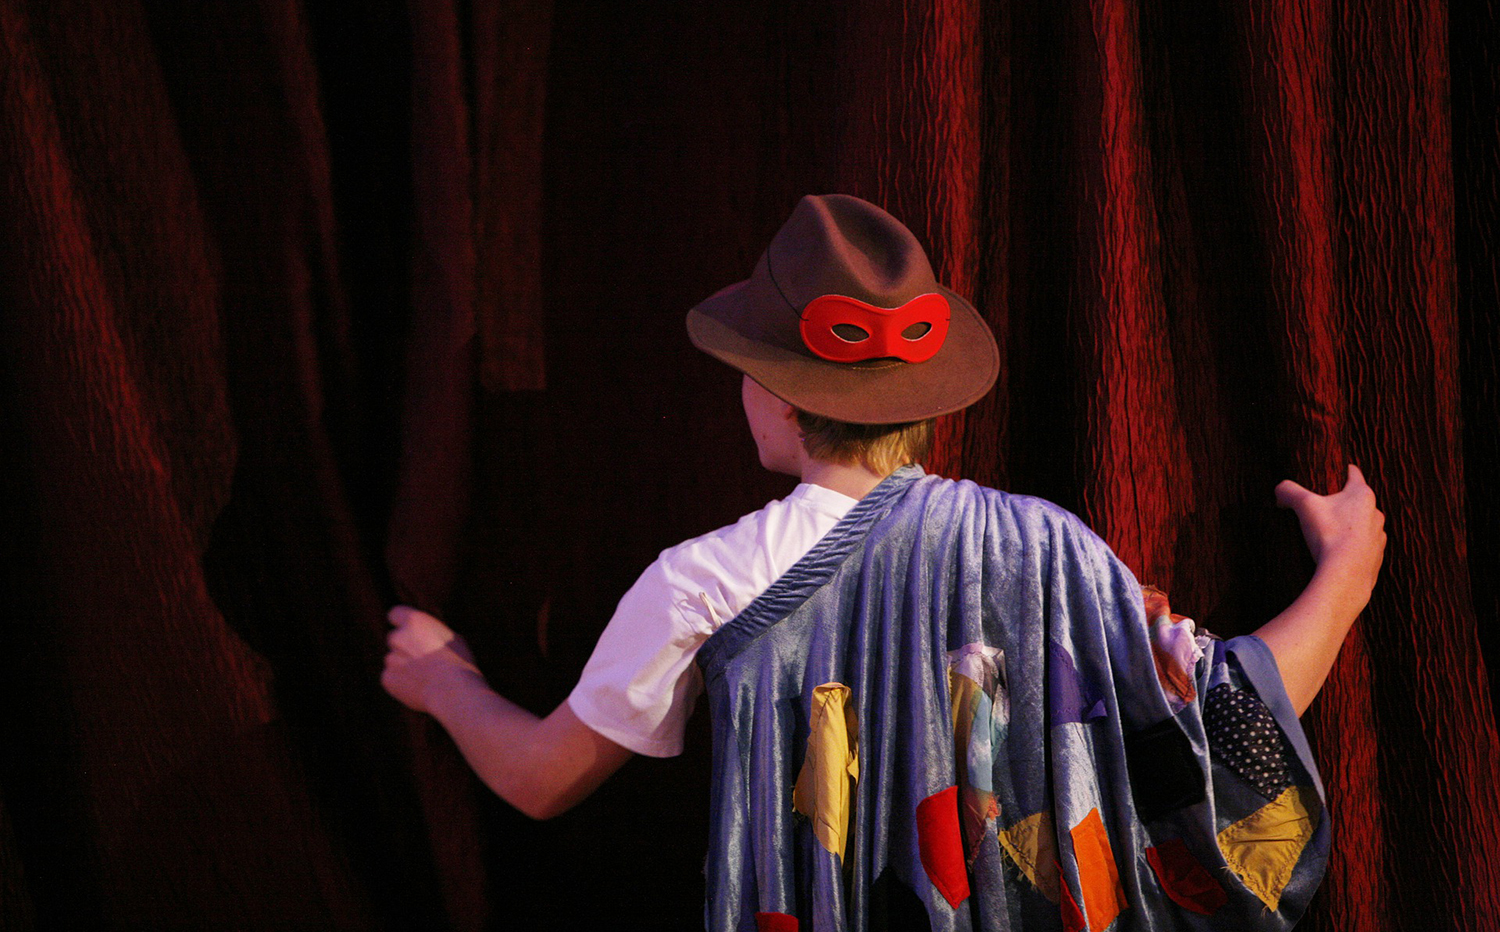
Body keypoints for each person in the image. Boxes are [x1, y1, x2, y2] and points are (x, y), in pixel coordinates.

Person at [383, 195, 1385, 930]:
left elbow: (543, 779)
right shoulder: (1052, 548)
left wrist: (442, 681)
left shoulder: (702, 582)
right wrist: (1346, 572)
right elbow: (1223, 719)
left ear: (776, 394)